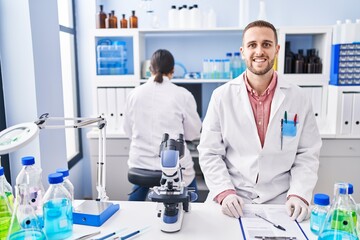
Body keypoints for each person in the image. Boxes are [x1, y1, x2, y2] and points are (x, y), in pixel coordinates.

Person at [197, 20, 322, 222]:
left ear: (276, 49)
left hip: (282, 200)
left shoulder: (298, 97)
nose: (259, 51)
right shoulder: (221, 96)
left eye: (266, 44)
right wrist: (225, 191)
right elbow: (209, 152)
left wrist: (299, 193)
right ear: (242, 51)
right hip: (233, 197)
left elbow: (307, 153)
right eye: (252, 45)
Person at [123, 49, 202, 201]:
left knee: (135, 202)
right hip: (174, 167)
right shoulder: (182, 95)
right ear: (172, 71)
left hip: (140, 165)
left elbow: (127, 131)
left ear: (149, 69)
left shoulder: (134, 94)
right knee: (193, 197)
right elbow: (194, 134)